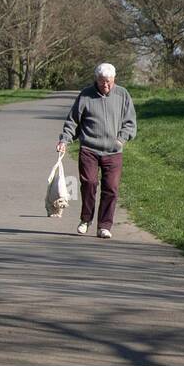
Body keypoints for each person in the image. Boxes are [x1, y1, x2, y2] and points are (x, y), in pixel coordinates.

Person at [57, 63, 137, 239]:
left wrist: (121, 138)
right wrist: (65, 140)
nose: (105, 86)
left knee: (111, 188)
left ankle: (104, 225)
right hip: (89, 149)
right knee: (89, 184)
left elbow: (130, 122)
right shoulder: (86, 95)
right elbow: (73, 121)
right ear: (96, 80)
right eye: (102, 82)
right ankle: (86, 220)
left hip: (113, 151)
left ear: (114, 79)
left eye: (108, 82)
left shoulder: (122, 94)